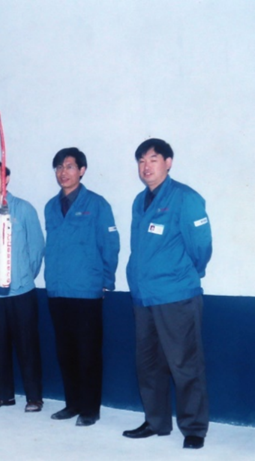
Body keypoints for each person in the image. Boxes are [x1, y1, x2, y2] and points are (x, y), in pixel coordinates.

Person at [123, 139, 212, 450]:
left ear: (168, 162)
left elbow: (201, 247)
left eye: (153, 159)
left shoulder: (185, 198)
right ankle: (156, 421)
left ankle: (194, 428)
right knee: (148, 365)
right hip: (144, 297)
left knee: (184, 364)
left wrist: (183, 274)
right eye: (141, 161)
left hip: (176, 295)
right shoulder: (139, 201)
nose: (146, 166)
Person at [44, 149, 120, 426]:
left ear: (82, 170)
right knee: (65, 352)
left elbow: (110, 246)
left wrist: (106, 281)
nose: (63, 172)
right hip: (57, 290)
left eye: (69, 166)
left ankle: (90, 409)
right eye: (58, 167)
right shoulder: (51, 206)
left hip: (86, 290)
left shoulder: (97, 204)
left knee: (88, 352)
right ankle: (73, 403)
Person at [0, 161, 45, 412]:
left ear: (7, 179)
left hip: (20, 291)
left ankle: (34, 396)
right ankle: (4, 394)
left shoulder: (23, 209)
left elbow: (36, 248)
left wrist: (22, 276)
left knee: (27, 345)